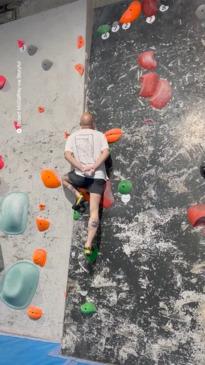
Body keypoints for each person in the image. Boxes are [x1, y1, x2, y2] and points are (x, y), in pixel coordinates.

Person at [62, 112, 110, 256]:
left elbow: (67, 155)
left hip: (80, 176)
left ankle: (78, 195)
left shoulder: (72, 136)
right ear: (93, 123)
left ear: (80, 124)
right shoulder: (100, 135)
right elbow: (106, 152)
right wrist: (94, 166)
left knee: (64, 178)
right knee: (94, 211)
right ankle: (88, 244)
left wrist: (81, 167)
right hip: (97, 177)